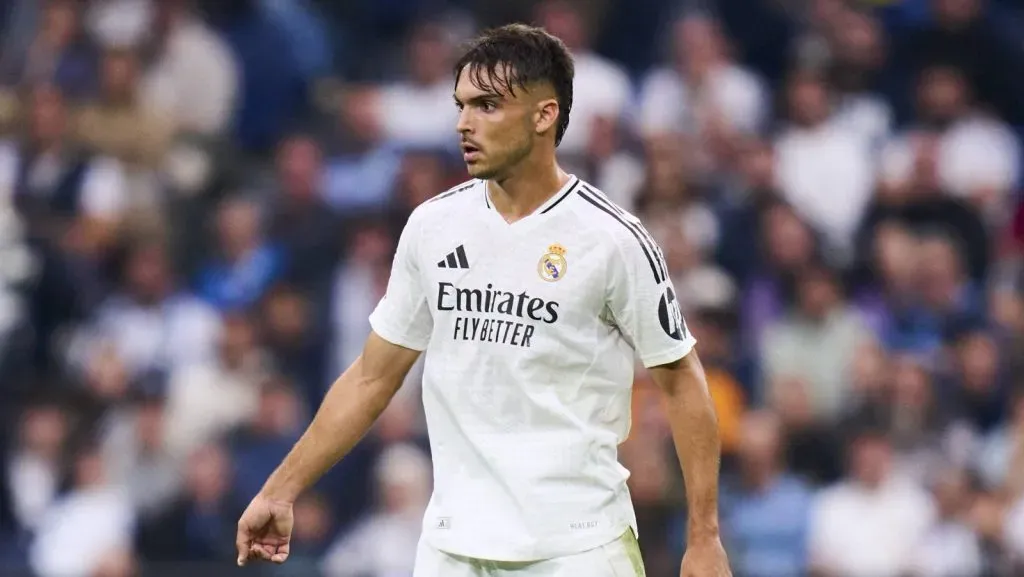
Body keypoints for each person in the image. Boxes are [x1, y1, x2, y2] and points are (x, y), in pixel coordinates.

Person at [235, 23, 731, 577]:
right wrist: (281, 490)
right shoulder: (433, 226)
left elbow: (681, 379)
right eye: (461, 105)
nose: (463, 124)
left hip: (576, 548)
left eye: (487, 106)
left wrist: (704, 537)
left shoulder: (613, 239)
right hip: (451, 548)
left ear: (544, 115)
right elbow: (372, 378)